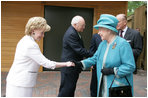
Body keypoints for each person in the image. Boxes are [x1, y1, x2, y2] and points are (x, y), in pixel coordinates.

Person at [6, 17, 74, 97]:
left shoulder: (26, 40)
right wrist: (66, 64)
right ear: (33, 30)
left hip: (18, 81)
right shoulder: (30, 45)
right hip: (20, 83)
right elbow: (47, 63)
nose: (43, 35)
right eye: (42, 32)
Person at [73, 14, 135, 97]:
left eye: (100, 30)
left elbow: (130, 66)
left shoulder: (123, 44)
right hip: (103, 86)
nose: (98, 33)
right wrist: (80, 64)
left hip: (117, 89)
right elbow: (95, 58)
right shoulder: (103, 44)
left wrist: (113, 71)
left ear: (108, 30)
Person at [58, 15, 92, 97]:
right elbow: (79, 50)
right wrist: (94, 55)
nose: (84, 27)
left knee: (70, 89)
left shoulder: (74, 32)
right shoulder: (71, 34)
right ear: (75, 24)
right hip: (69, 67)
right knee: (66, 90)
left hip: (72, 66)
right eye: (82, 25)